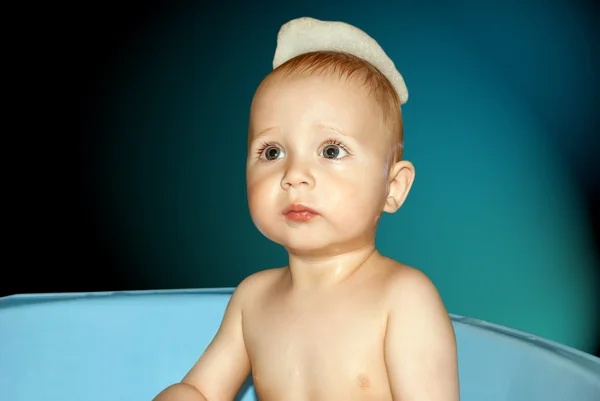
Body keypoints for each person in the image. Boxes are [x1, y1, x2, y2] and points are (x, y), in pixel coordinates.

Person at [154, 17, 459, 401]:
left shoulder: (402, 298)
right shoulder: (253, 299)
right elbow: (200, 389)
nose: (294, 175)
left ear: (392, 188)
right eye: (272, 152)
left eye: (331, 151)